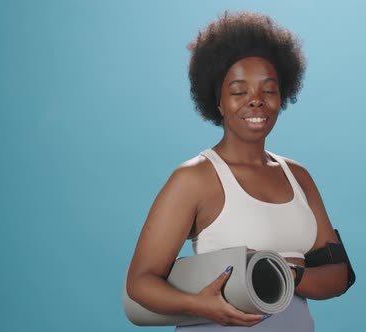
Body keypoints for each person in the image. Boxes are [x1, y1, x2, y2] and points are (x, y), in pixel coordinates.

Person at [126, 11, 353, 331]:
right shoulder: (194, 178)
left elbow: (338, 274)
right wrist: (198, 304)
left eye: (268, 90)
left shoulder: (297, 176)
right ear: (218, 101)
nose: (256, 101)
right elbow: (139, 283)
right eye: (239, 91)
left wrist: (289, 276)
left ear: (282, 96)